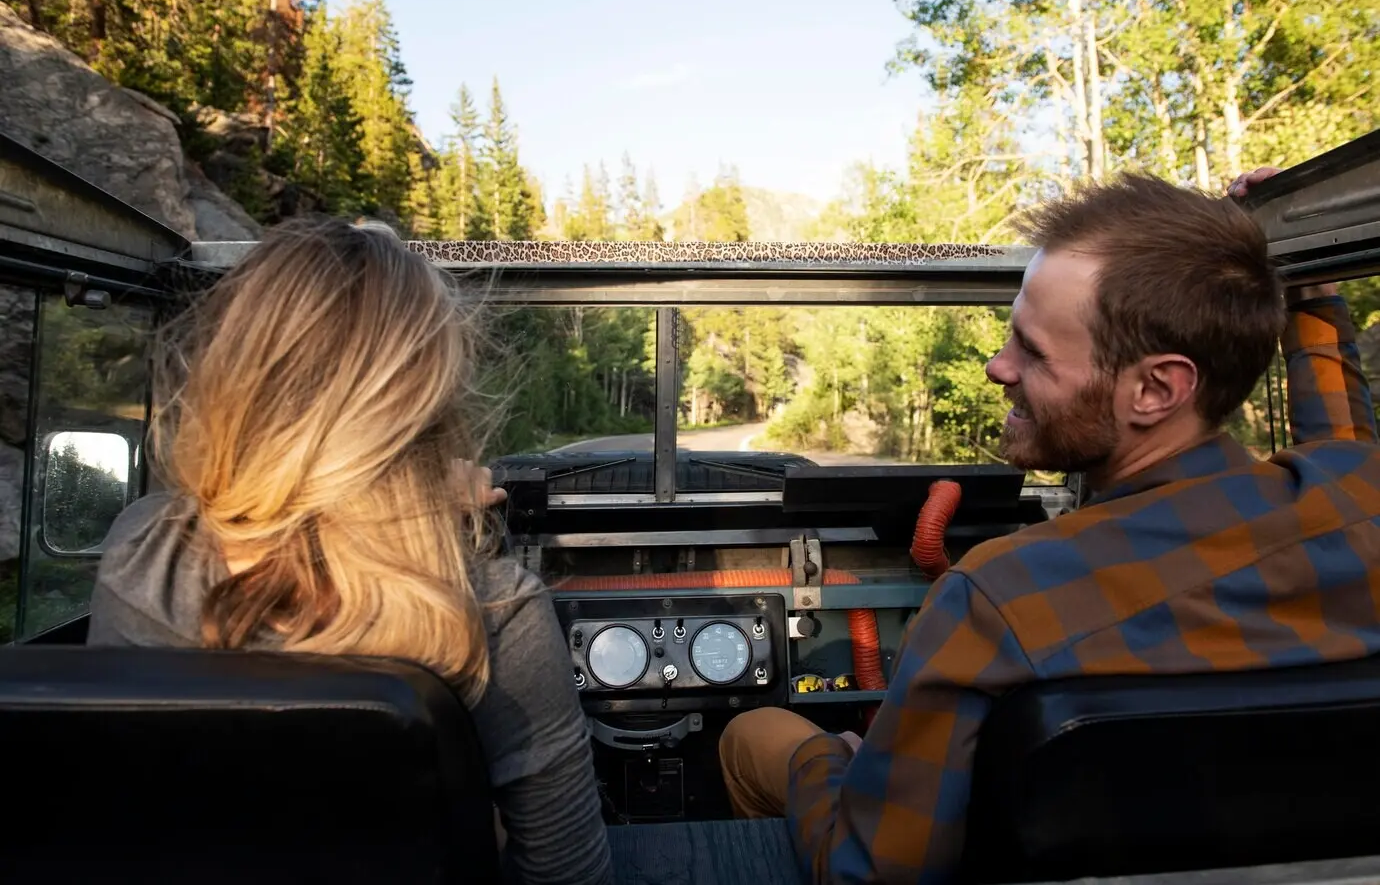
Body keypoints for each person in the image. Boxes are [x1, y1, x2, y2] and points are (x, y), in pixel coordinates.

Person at [719, 167, 1380, 883]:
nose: (997, 366)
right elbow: (1348, 450)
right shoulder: (1360, 500)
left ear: (1156, 389)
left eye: (1033, 351)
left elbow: (873, 872)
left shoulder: (996, 597)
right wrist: (1313, 294)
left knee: (756, 734)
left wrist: (833, 762)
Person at [86, 216, 614, 885]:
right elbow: (570, 876)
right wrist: (449, 527)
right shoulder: (496, 612)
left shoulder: (141, 555)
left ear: (234, 378)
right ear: (426, 412)